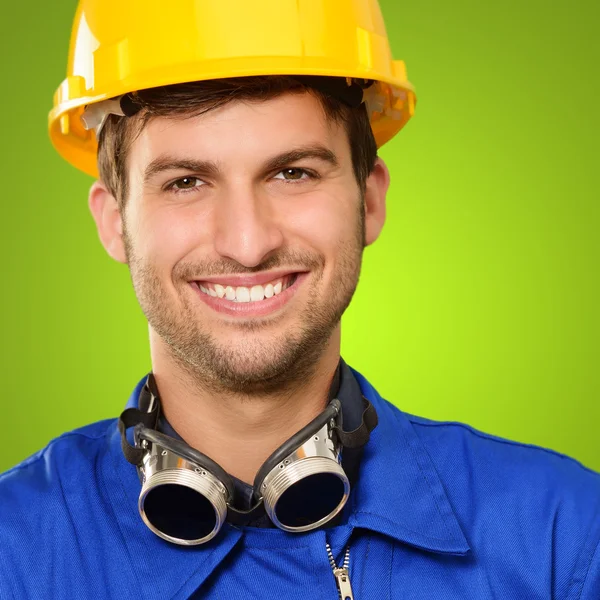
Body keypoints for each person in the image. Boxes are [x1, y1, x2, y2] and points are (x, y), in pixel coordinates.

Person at [1, 0, 598, 598]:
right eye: (186, 182)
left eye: (294, 173)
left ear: (369, 200)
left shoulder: (559, 537)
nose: (247, 243)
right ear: (113, 223)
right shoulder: (14, 550)